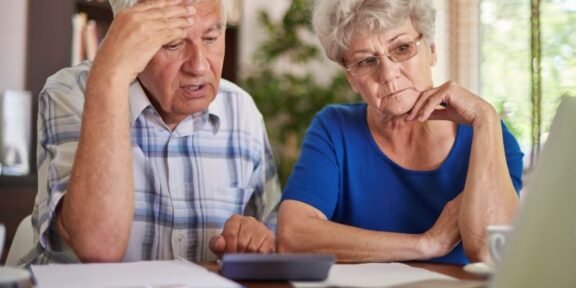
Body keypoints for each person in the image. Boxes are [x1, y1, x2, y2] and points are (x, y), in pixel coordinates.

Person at [22, 0, 280, 265]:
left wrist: (256, 240)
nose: (199, 66)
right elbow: (98, 246)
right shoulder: (72, 93)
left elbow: (274, 238)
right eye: (173, 43)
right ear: (129, 37)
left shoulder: (241, 110)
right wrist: (110, 72)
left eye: (211, 38)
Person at [277, 0, 523, 265]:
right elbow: (293, 237)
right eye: (366, 61)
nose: (388, 74)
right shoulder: (334, 128)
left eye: (402, 48)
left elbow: (489, 253)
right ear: (351, 78)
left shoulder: (488, 136)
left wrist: (486, 118)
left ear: (431, 50)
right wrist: (427, 243)